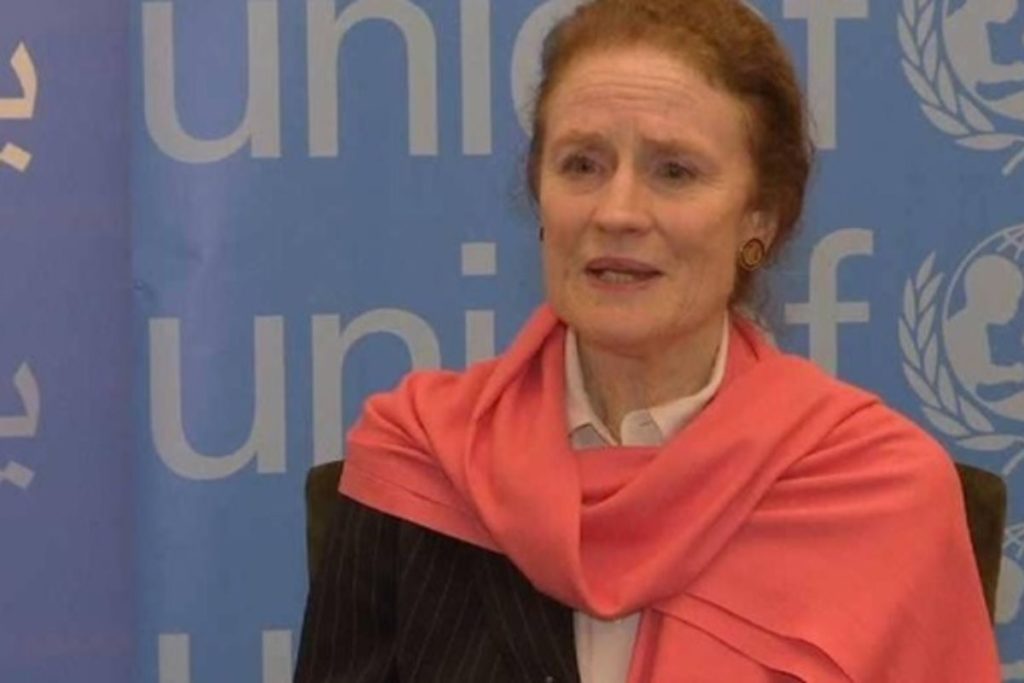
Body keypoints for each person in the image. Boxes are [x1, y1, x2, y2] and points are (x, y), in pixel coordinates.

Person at [294, 0, 1001, 680]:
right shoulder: (419, 470)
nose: (618, 211)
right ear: (539, 194)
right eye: (582, 165)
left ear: (759, 218)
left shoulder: (881, 500)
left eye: (674, 171)